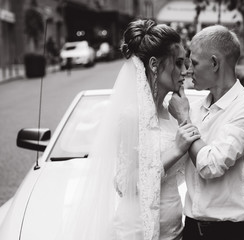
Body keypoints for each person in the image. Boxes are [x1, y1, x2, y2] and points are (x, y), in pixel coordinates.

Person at [57, 19, 200, 240]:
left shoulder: (172, 112)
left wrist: (184, 118)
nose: (186, 71)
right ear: (154, 65)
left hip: (174, 230)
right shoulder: (131, 115)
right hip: (138, 231)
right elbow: (127, 184)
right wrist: (175, 150)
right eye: (179, 63)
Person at [168, 25, 244, 240]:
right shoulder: (195, 108)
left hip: (232, 233)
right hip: (192, 229)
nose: (188, 71)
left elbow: (210, 166)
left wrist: (183, 119)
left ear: (214, 63)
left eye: (194, 63)